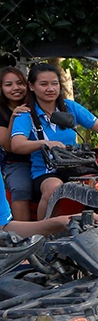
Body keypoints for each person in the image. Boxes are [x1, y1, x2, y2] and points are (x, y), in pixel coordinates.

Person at [10, 63, 98, 221]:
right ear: (31, 86)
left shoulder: (70, 107)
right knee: (53, 189)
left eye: (54, 83)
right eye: (44, 84)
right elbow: (17, 144)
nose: (50, 88)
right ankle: (43, 233)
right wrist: (44, 143)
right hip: (47, 172)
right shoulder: (26, 113)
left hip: (76, 168)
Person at [0, 67, 33, 221]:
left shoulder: (38, 104)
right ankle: (23, 237)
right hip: (15, 161)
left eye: (20, 83)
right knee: (21, 189)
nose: (15, 88)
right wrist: (13, 119)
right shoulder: (1, 112)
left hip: (45, 159)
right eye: (8, 84)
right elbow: (7, 146)